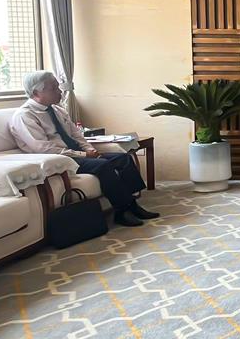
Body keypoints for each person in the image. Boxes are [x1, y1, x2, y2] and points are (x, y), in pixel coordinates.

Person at [10, 71, 157, 227]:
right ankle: (121, 211)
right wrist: (83, 154)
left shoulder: (58, 110)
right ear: (36, 93)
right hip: (61, 160)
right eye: (54, 88)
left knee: (123, 159)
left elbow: (77, 135)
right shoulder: (25, 116)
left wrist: (90, 150)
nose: (60, 91)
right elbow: (44, 148)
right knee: (103, 165)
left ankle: (132, 205)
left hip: (79, 154)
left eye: (58, 87)